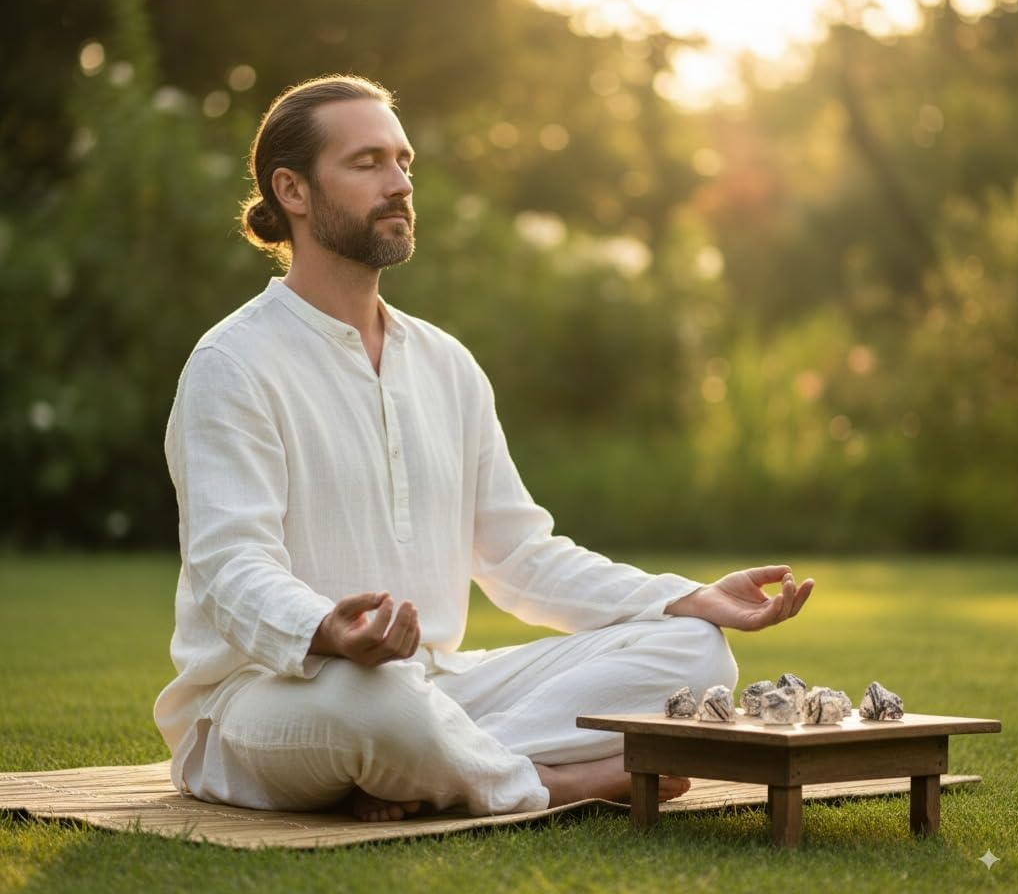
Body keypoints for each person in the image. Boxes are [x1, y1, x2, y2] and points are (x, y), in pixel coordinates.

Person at [154, 74, 814, 823]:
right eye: (367, 163)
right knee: (378, 701)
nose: (400, 183)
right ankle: (544, 782)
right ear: (293, 191)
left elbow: (522, 556)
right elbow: (229, 565)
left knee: (696, 652)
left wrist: (680, 597)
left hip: (436, 685)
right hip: (269, 698)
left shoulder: (446, 364)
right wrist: (326, 630)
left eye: (403, 162)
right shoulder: (232, 364)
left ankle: (428, 769)